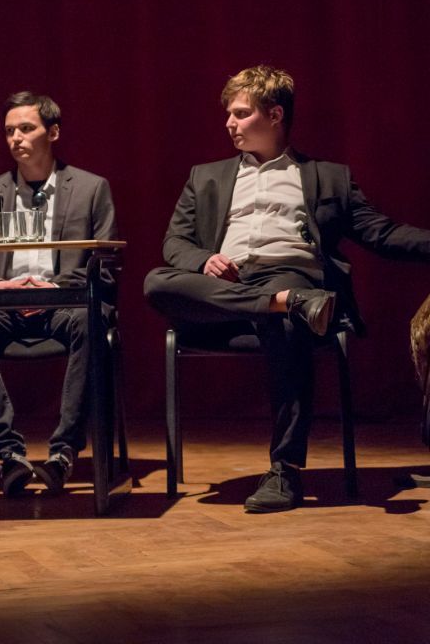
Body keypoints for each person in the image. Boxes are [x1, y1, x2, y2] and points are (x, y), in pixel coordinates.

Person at [144, 65, 430, 513]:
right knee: (157, 282)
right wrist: (202, 260)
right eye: (229, 114)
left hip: (289, 275)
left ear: (275, 115)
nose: (229, 123)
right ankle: (285, 305)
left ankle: (285, 470)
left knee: (287, 322)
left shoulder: (327, 177)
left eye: (241, 114)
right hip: (225, 287)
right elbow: (175, 243)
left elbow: (382, 233)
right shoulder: (206, 177)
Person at [0, 91, 118, 496]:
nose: (15, 138)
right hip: (6, 305)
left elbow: (106, 267)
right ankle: (9, 452)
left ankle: (63, 452)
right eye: (9, 131)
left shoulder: (90, 188)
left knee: (93, 320)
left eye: (26, 128)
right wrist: (0, 286)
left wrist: (52, 288)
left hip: (64, 303)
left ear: (53, 132)